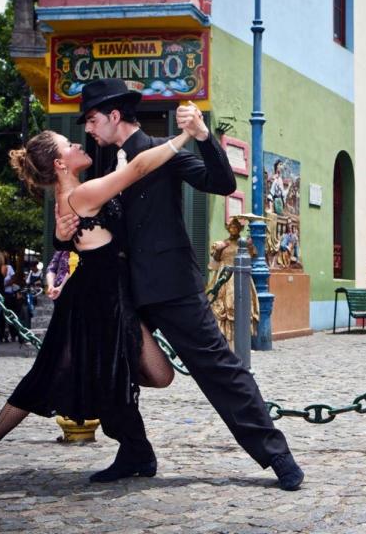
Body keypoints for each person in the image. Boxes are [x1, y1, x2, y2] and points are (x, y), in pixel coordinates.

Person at [55, 78, 304, 489]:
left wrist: (204, 137)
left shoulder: (163, 151)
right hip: (121, 289)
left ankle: (277, 455)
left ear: (114, 116)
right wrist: (62, 235)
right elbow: (87, 224)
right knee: (111, 369)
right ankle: (135, 452)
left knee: (218, 368)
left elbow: (221, 184)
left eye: (93, 120)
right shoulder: (102, 165)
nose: (89, 129)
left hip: (171, 284)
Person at [0, 124, 186, 484]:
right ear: (60, 164)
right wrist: (185, 137)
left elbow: (75, 243)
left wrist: (59, 254)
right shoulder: (82, 194)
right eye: (69, 144)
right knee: (52, 378)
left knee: (146, 375)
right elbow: (138, 169)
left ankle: (128, 443)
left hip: (106, 300)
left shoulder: (73, 196)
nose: (79, 144)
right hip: (96, 304)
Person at [207, 216, 258, 346]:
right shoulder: (223, 243)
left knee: (238, 304)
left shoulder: (244, 243)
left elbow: (252, 256)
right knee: (220, 304)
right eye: (231, 227)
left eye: (236, 227)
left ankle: (239, 340)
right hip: (223, 276)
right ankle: (223, 339)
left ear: (240, 229)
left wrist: (250, 245)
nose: (233, 229)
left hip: (239, 276)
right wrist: (220, 249)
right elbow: (216, 259)